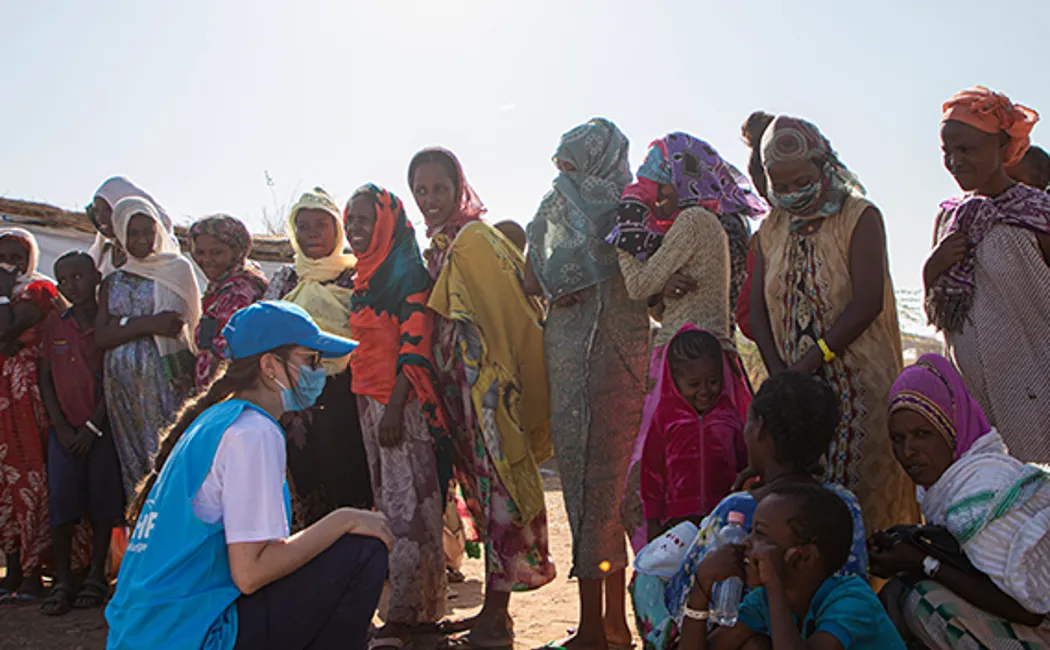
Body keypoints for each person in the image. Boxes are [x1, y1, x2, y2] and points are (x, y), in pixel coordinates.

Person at [105, 301, 392, 650]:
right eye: (310, 361)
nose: (320, 372)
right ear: (270, 365)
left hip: (149, 634)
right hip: (194, 636)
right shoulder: (253, 431)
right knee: (362, 550)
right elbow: (250, 573)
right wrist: (343, 519)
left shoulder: (218, 420)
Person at [744, 111, 919, 536]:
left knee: (867, 521)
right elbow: (757, 312)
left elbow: (866, 302)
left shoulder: (859, 217)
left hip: (861, 399)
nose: (789, 193)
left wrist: (811, 360)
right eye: (778, 185)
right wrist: (780, 377)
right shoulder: (768, 232)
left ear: (823, 165)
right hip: (794, 407)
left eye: (799, 181)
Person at [409, 147, 555, 649]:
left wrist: (495, 390)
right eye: (421, 191)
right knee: (484, 494)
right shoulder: (443, 245)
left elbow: (509, 315)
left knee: (500, 496)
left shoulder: (474, 241)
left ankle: (497, 615)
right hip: (459, 397)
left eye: (439, 189)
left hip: (487, 397)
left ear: (459, 188)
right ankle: (495, 615)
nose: (430, 200)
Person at [631, 372, 869, 650]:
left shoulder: (738, 508)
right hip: (807, 631)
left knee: (647, 577)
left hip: (750, 635)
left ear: (760, 428)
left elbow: (688, 593)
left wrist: (700, 586)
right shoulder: (844, 503)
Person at [607, 132, 763, 552]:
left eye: (660, 187)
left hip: (686, 370)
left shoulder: (692, 222)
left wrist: (625, 228)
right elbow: (662, 297)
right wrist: (665, 285)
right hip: (707, 362)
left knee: (660, 476)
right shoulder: (707, 224)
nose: (655, 200)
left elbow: (639, 284)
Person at [526, 118, 648, 650]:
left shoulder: (567, 205)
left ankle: (600, 628)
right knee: (604, 490)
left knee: (596, 491)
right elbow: (536, 275)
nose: (565, 170)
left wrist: (562, 278)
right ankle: (610, 626)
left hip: (595, 358)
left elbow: (534, 276)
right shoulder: (630, 206)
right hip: (603, 357)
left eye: (572, 159)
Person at [872, 353, 1050, 649]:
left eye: (922, 434)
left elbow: (1027, 611)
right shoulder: (949, 482)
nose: (908, 451)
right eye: (897, 439)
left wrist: (922, 561)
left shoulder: (981, 492)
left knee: (925, 604)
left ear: (952, 428)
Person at [344, 184, 450, 649]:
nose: (356, 229)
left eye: (365, 219)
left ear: (386, 221)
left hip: (399, 409)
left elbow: (415, 343)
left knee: (408, 512)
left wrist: (392, 407)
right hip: (371, 403)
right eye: (351, 221)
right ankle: (415, 611)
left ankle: (409, 613)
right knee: (394, 507)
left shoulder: (406, 273)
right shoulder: (367, 275)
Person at [924, 86, 1050, 463]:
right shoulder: (950, 220)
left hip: (1037, 384)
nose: (954, 160)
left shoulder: (1037, 215)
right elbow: (939, 304)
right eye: (947, 150)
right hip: (973, 388)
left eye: (966, 149)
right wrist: (932, 266)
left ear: (1001, 147)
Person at [678, 483, 906, 650]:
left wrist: (775, 583)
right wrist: (702, 586)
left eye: (761, 534)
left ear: (804, 558)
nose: (746, 542)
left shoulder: (851, 601)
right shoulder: (764, 602)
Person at [263, 187, 372, 525]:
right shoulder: (286, 278)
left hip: (345, 391)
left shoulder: (354, 276)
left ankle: (355, 550)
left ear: (336, 231)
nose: (311, 234)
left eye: (320, 225)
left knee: (347, 465)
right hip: (295, 393)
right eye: (303, 226)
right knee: (304, 467)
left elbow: (364, 330)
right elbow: (268, 326)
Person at [95, 196, 201, 499]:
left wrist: (124, 325)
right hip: (122, 385)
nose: (142, 240)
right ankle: (142, 525)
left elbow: (178, 324)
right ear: (120, 234)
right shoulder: (112, 281)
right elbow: (100, 337)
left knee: (166, 449)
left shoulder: (176, 270)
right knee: (134, 458)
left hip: (166, 378)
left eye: (147, 232)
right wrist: (146, 324)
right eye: (133, 233)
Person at [37, 252, 125, 616]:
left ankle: (96, 576)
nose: (74, 285)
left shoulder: (110, 323)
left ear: (96, 277)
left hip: (101, 430)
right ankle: (62, 580)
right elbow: (45, 376)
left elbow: (116, 376)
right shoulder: (55, 324)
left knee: (104, 501)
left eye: (80, 276)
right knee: (62, 501)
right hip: (65, 431)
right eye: (66, 280)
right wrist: (59, 423)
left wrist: (92, 425)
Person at [641, 327, 748, 543]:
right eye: (694, 384)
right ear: (674, 380)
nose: (705, 390)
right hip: (678, 521)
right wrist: (653, 521)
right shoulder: (666, 417)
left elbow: (745, 461)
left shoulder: (729, 414)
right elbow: (652, 473)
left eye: (713, 381)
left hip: (723, 516)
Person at [0, 228, 60, 599]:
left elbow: (8, 326)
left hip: (27, 399)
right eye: (2, 256)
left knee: (30, 478)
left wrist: (4, 290)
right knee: (4, 483)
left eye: (17, 257)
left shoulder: (38, 290)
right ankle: (12, 565)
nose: (9, 263)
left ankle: (35, 572)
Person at [189, 214, 269, 389]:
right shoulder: (220, 288)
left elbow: (231, 352)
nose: (206, 260)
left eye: (216, 252)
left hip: (229, 390)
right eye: (200, 252)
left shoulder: (239, 292)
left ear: (236, 251)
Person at [89, 176, 176, 277]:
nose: (100, 218)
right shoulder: (102, 253)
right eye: (96, 211)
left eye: (107, 210)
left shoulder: (164, 256)